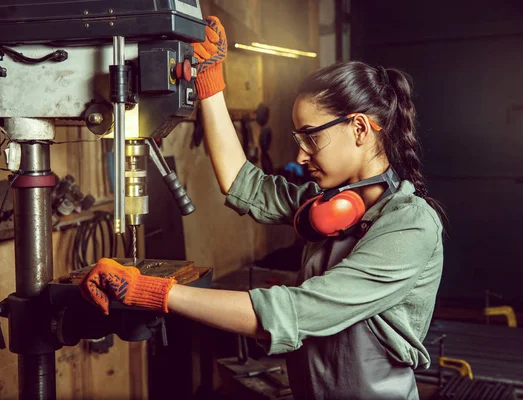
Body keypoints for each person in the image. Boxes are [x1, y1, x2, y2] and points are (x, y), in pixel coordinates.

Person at [80, 16, 444, 400]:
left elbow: (296, 312)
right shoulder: (326, 205)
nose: (300, 155)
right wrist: (210, 82)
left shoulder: (411, 225)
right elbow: (242, 182)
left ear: (358, 129)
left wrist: (151, 291)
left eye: (311, 137)